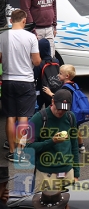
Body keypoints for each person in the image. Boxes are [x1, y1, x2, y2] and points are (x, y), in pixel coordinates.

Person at [1, 9, 41, 163]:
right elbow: (37, 61)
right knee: (23, 117)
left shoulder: (3, 36)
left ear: (11, 20)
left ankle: (11, 151)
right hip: (25, 80)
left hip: (8, 80)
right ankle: (20, 150)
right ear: (24, 21)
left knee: (10, 117)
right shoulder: (31, 37)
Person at [25, 89, 80, 192]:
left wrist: (76, 174)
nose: (61, 112)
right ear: (53, 101)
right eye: (59, 108)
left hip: (68, 173)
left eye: (64, 109)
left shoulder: (70, 117)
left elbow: (74, 146)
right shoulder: (39, 118)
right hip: (46, 174)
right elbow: (28, 148)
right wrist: (52, 141)